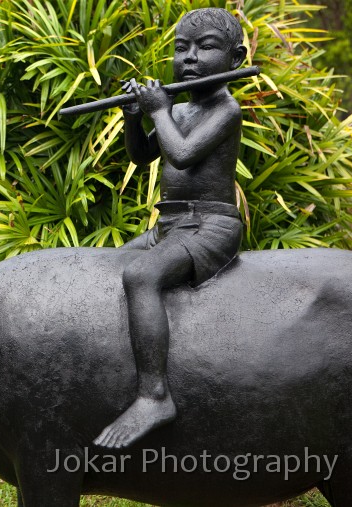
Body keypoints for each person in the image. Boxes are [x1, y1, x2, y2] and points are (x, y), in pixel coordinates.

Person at [94, 8, 248, 449]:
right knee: (114, 263)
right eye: (182, 49)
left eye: (206, 47)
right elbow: (144, 155)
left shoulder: (226, 109)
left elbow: (181, 154)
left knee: (141, 275)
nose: (191, 59)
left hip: (210, 225)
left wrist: (158, 109)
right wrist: (133, 117)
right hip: (171, 223)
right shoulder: (177, 107)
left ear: (235, 58)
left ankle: (154, 395)